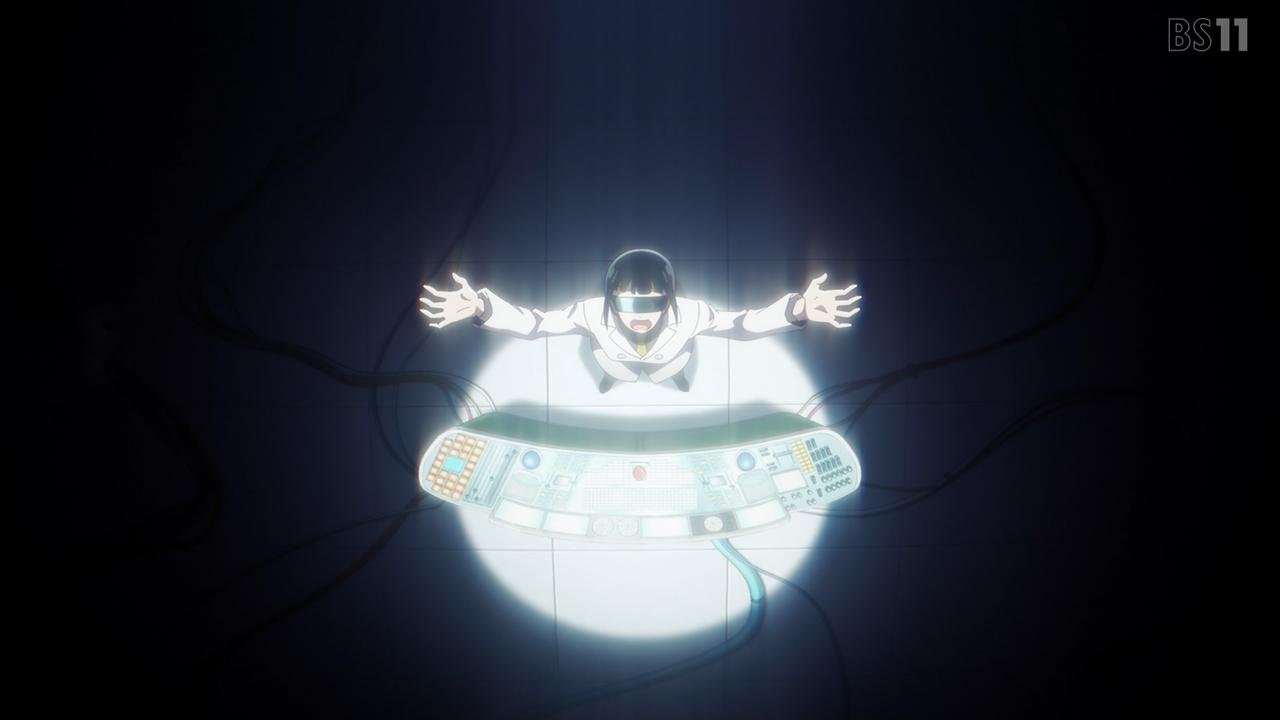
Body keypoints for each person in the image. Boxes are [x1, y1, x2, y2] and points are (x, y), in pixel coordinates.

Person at [420, 249, 860, 392]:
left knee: (672, 373)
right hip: (613, 364)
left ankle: (674, 378)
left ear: (670, 297)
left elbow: (743, 325)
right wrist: (482, 308)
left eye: (653, 304)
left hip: (671, 364)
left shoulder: (691, 313)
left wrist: (796, 310)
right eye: (630, 304)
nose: (641, 317)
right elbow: (535, 325)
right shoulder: (590, 311)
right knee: (616, 373)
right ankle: (617, 378)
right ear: (611, 298)